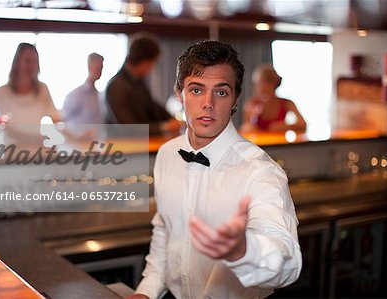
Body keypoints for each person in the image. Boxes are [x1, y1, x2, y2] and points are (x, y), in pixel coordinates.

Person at [129, 41, 302, 299]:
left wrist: (244, 251)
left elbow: (288, 262)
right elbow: (165, 230)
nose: (208, 103)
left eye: (221, 92)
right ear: (180, 95)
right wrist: (147, 290)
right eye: (196, 90)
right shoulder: (167, 155)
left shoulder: (261, 172)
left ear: (235, 99)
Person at [105, 33, 180, 135]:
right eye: (152, 62)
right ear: (144, 61)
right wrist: (164, 127)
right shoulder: (116, 86)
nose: (152, 67)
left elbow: (152, 106)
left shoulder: (137, 81)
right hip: (125, 146)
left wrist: (171, 119)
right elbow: (128, 127)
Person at [0, 43, 61, 144]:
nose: (32, 66)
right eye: (28, 61)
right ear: (17, 62)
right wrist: (35, 138)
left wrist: (76, 136)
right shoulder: (0, 93)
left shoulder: (43, 89)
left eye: (35, 61)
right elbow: (5, 128)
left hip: (37, 152)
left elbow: (56, 119)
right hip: (11, 153)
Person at [241, 65, 306, 133]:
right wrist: (249, 127)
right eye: (256, 84)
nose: (257, 87)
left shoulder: (287, 103)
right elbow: (244, 128)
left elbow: (303, 125)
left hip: (280, 142)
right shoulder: (251, 104)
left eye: (260, 83)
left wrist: (285, 126)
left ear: (272, 83)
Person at [62, 52, 105, 125]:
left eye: (101, 68)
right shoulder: (75, 95)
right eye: (97, 67)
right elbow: (63, 121)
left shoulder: (99, 95)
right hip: (79, 136)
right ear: (89, 67)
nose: (100, 71)